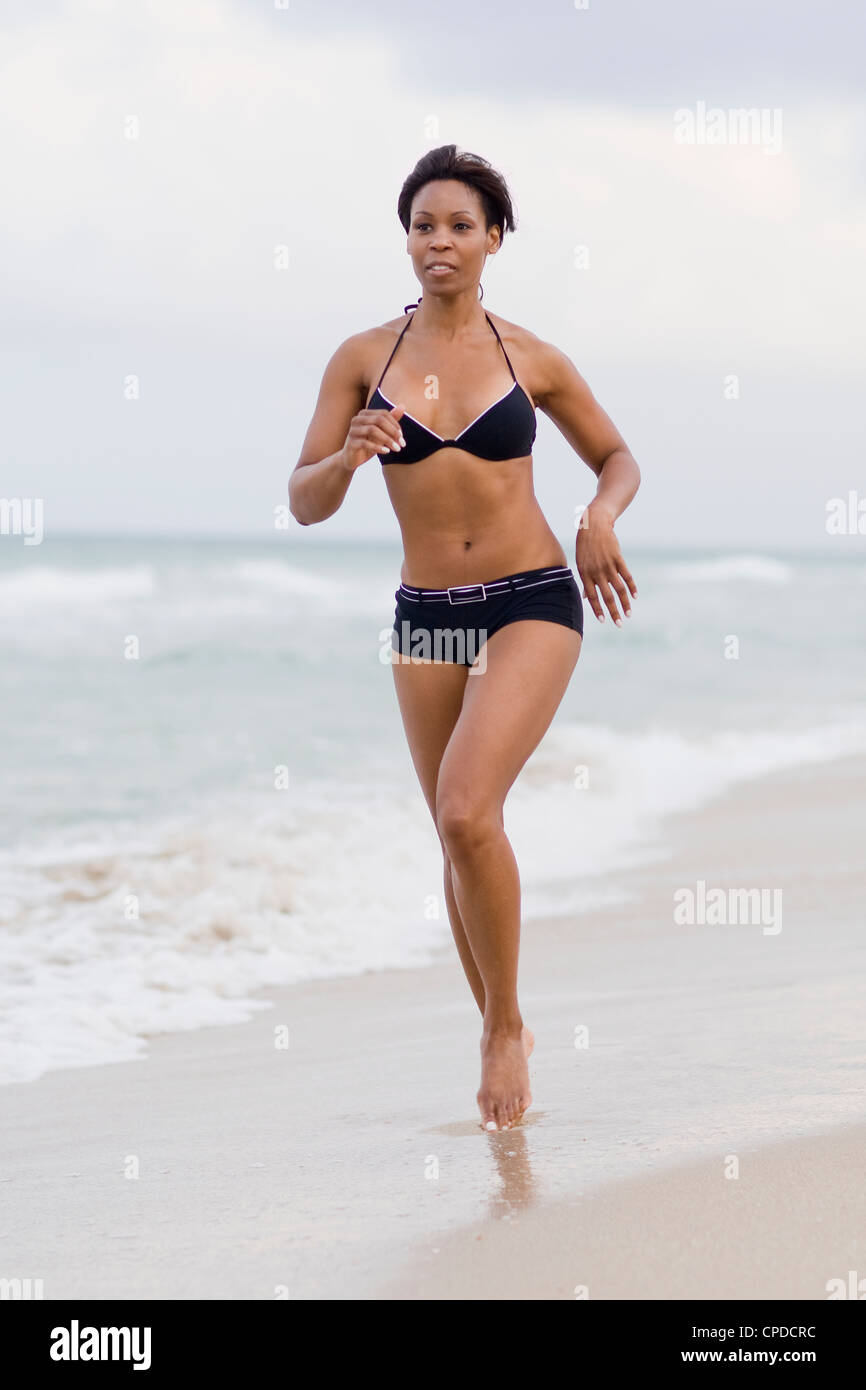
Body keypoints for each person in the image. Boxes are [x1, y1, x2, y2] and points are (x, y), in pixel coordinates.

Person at [290, 144, 640, 1132]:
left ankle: (501, 1027)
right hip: (426, 615)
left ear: (494, 239)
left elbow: (615, 456)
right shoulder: (364, 360)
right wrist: (349, 457)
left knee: (464, 808)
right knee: (453, 833)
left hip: (531, 594)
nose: (436, 241)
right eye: (420, 226)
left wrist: (598, 516)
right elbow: (302, 500)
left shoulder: (532, 357)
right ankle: (499, 1020)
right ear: (404, 240)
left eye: (456, 225)